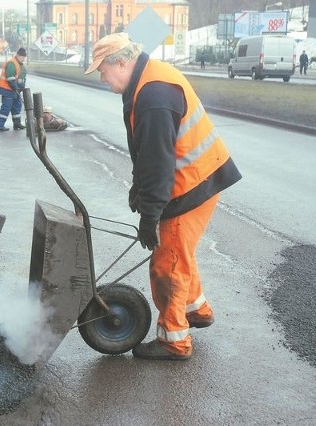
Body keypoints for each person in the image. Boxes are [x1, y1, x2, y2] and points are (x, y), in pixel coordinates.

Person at [85, 33, 242, 361]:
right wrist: (137, 188)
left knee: (167, 264)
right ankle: (196, 310)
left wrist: (150, 216)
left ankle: (174, 340)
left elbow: (158, 162)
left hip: (190, 185)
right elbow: (147, 152)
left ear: (123, 63)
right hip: (198, 175)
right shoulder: (144, 81)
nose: (101, 78)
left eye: (102, 70)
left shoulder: (154, 94)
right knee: (179, 254)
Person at [0, 47, 27, 131]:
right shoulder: (11, 63)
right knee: (6, 107)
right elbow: (10, 78)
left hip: (15, 90)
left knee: (17, 106)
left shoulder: (20, 65)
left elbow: (21, 78)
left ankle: (17, 124)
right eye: (21, 57)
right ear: (17, 55)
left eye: (24, 57)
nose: (23, 59)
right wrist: (16, 88)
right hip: (7, 90)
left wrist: (21, 87)